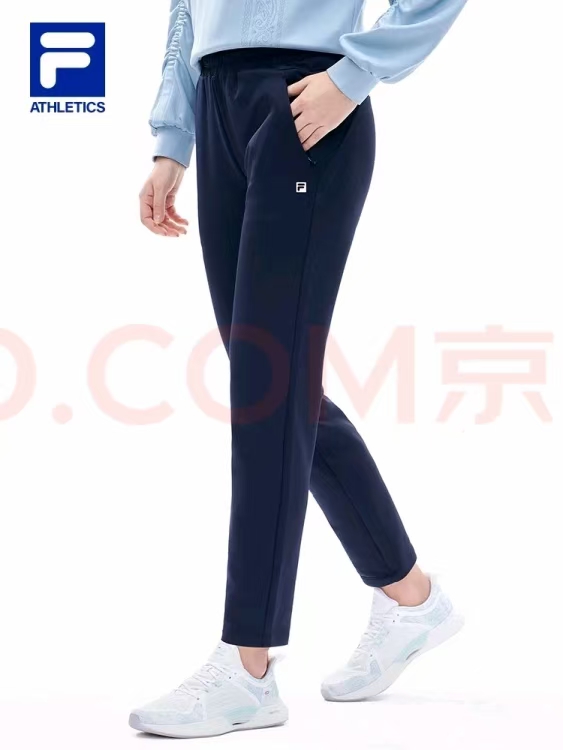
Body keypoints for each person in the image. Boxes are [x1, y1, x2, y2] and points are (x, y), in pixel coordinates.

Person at [130, 0, 468, 739]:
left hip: (306, 102)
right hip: (216, 102)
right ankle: (411, 598)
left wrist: (355, 74)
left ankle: (247, 666)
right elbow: (186, 10)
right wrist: (173, 136)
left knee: (267, 388)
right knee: (278, 388)